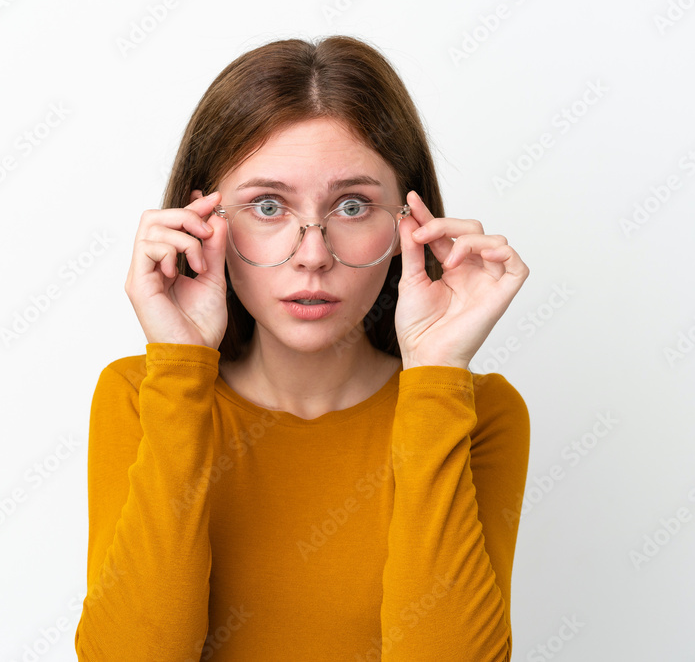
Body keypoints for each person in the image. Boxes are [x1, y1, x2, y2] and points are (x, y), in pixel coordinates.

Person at [75, 34, 530, 661]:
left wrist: (437, 372)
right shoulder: (140, 396)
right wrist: (181, 372)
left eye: (352, 204)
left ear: (409, 226)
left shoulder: (476, 411)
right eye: (267, 206)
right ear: (201, 222)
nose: (312, 256)